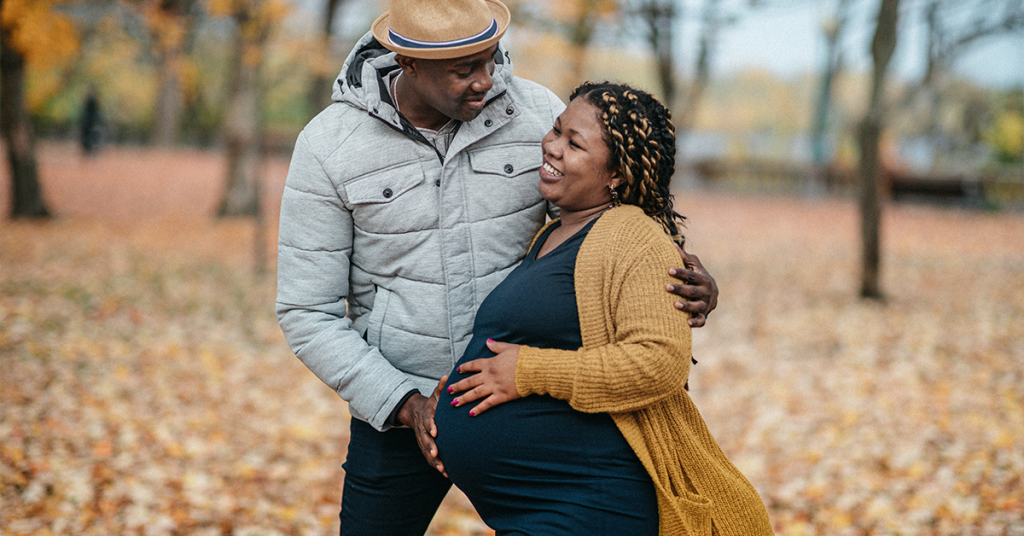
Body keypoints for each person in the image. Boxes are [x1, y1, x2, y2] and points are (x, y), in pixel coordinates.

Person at [275, 1, 718, 534]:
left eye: (491, 60)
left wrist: (677, 275)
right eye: (465, 70)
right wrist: (405, 404)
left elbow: (601, 228)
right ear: (409, 62)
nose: (488, 80)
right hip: (398, 407)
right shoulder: (329, 148)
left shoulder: (535, 114)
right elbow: (307, 311)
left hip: (542, 411)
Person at [436, 82, 773, 535]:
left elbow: (660, 362)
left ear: (616, 175)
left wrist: (529, 371)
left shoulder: (633, 236)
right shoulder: (553, 232)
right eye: (555, 131)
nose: (551, 147)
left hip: (589, 503)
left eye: (573, 143)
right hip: (543, 504)